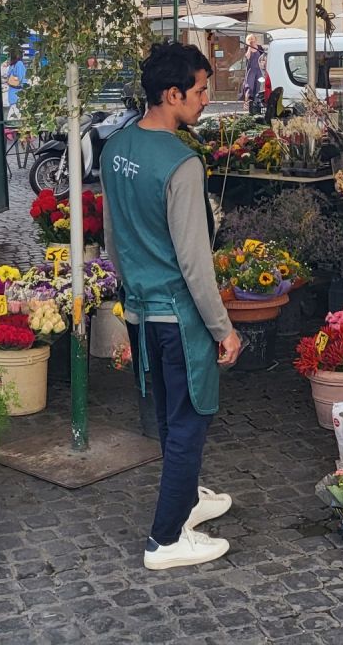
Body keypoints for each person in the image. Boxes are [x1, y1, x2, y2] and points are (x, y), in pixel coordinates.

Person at [102, 42, 241, 571]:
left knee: (168, 414)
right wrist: (224, 328)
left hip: (140, 310)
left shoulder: (115, 147)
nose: (206, 100)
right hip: (179, 316)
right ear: (172, 94)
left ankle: (187, 499)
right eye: (200, 91)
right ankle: (165, 539)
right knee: (189, 421)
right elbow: (195, 262)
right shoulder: (182, 164)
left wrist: (131, 293)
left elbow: (112, 239)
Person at [241, 34, 265, 114]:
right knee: (249, 87)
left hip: (259, 70)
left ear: (255, 39)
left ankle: (256, 104)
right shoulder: (247, 48)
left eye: (252, 39)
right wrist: (249, 47)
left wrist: (263, 63)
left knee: (258, 87)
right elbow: (247, 57)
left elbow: (263, 57)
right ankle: (246, 103)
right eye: (249, 39)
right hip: (251, 70)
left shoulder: (259, 47)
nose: (251, 40)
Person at [4, 51, 27, 124]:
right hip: (18, 90)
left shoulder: (12, 65)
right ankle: (12, 122)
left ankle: (10, 122)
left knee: (14, 107)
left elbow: (8, 75)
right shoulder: (19, 64)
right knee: (16, 107)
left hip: (12, 90)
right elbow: (21, 77)